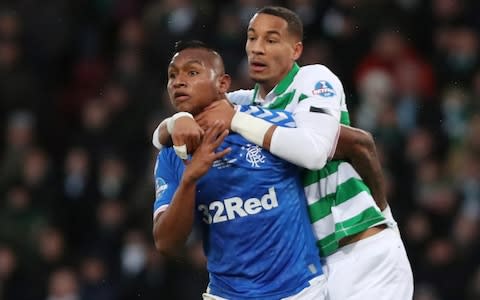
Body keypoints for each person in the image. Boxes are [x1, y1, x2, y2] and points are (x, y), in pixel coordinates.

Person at [154, 6, 413, 300]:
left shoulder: (313, 81)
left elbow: (327, 150)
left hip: (361, 248)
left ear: (296, 49)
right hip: (318, 265)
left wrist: (384, 213)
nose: (258, 49)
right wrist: (176, 121)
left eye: (271, 40)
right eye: (252, 39)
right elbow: (200, 112)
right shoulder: (247, 104)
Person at [152, 40, 330, 299]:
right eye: (172, 75)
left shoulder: (266, 123)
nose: (178, 82)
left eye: (192, 73)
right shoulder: (171, 156)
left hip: (300, 290)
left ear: (223, 84)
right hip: (226, 294)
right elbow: (166, 244)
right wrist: (190, 179)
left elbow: (327, 144)